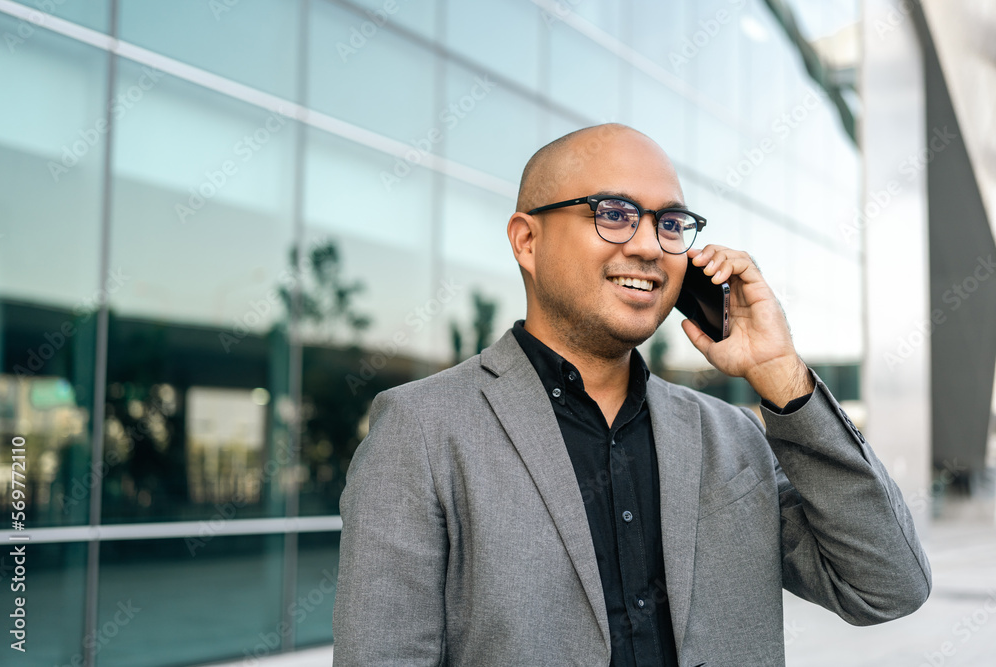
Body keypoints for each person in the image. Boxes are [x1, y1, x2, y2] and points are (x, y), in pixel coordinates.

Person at [332, 124, 931, 666]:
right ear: (527, 242)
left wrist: (782, 374)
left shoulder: (733, 436)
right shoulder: (422, 430)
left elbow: (887, 585)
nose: (649, 246)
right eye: (614, 213)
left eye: (669, 224)